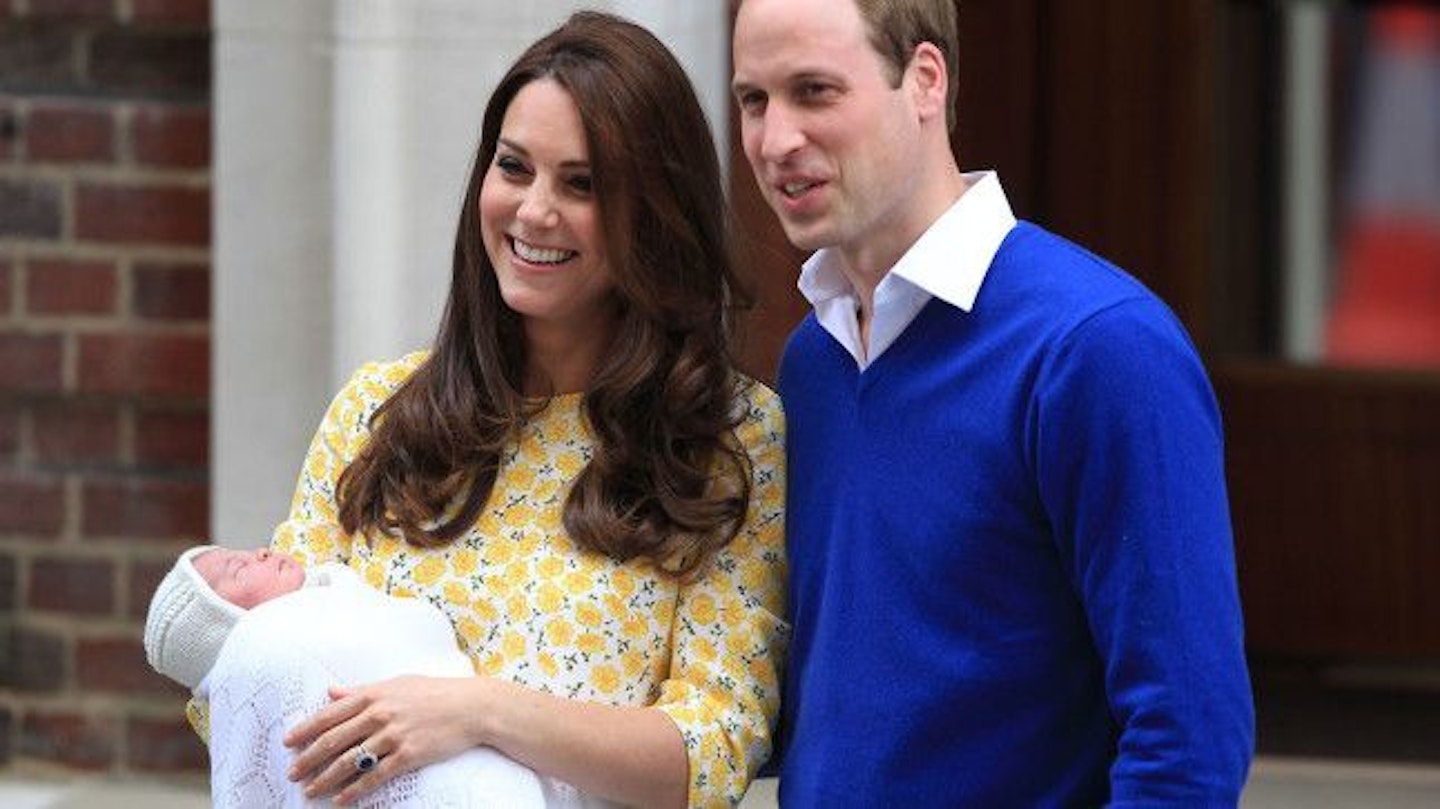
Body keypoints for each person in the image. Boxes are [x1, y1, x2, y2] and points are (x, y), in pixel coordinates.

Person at [251, 10, 786, 809]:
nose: (534, 211)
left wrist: (476, 712)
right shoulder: (376, 412)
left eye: (582, 184)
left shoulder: (729, 438)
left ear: (657, 213)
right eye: (514, 167)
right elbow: (260, 669)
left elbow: (711, 749)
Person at [730, 0, 1254, 805]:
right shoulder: (815, 362)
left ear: (925, 80)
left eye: (815, 91)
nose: (775, 140)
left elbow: (1189, 744)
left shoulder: (1098, 348)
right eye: (753, 100)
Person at [144, 545, 547, 808]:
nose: (261, 553)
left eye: (247, 551)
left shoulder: (341, 594)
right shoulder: (271, 651)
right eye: (239, 569)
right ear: (226, 627)